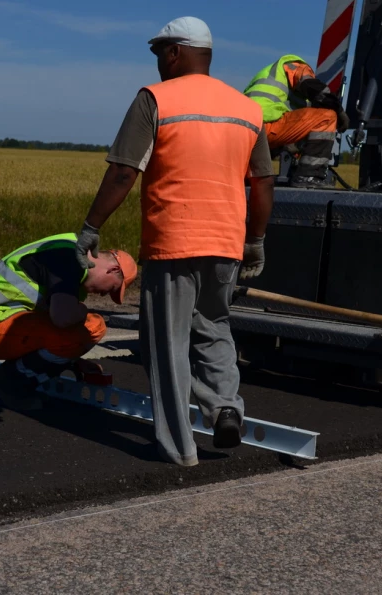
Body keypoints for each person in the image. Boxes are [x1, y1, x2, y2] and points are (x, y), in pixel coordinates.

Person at [73, 17, 276, 466]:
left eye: (158, 53)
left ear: (174, 53)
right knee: (214, 327)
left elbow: (125, 170)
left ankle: (179, 450)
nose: (157, 63)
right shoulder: (247, 108)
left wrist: (91, 226)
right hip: (226, 243)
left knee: (167, 345)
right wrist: (255, 241)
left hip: (174, 241)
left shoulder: (155, 98)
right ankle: (225, 406)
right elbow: (262, 183)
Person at [0, 232, 137, 410]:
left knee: (83, 326)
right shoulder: (71, 260)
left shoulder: (71, 253)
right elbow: (63, 319)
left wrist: (73, 360)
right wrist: (82, 312)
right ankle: (10, 383)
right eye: (112, 289)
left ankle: (19, 374)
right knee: (92, 326)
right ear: (113, 270)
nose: (104, 294)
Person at [243, 54, 350, 188]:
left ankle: (247, 177)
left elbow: (292, 122)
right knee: (327, 117)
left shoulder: (265, 77)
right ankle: (308, 176)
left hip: (244, 131)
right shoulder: (295, 65)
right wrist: (338, 110)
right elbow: (311, 86)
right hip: (266, 122)